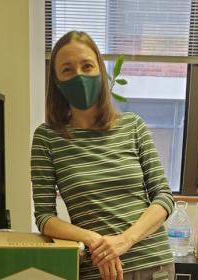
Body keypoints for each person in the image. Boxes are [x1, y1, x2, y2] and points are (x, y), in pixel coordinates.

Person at [31, 30, 175, 280]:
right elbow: (45, 218)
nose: (79, 75)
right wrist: (94, 239)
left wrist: (124, 240)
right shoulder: (48, 137)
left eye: (87, 66)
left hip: (154, 266)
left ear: (101, 71)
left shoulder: (133, 126)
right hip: (99, 269)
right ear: (56, 81)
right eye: (67, 69)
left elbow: (163, 197)